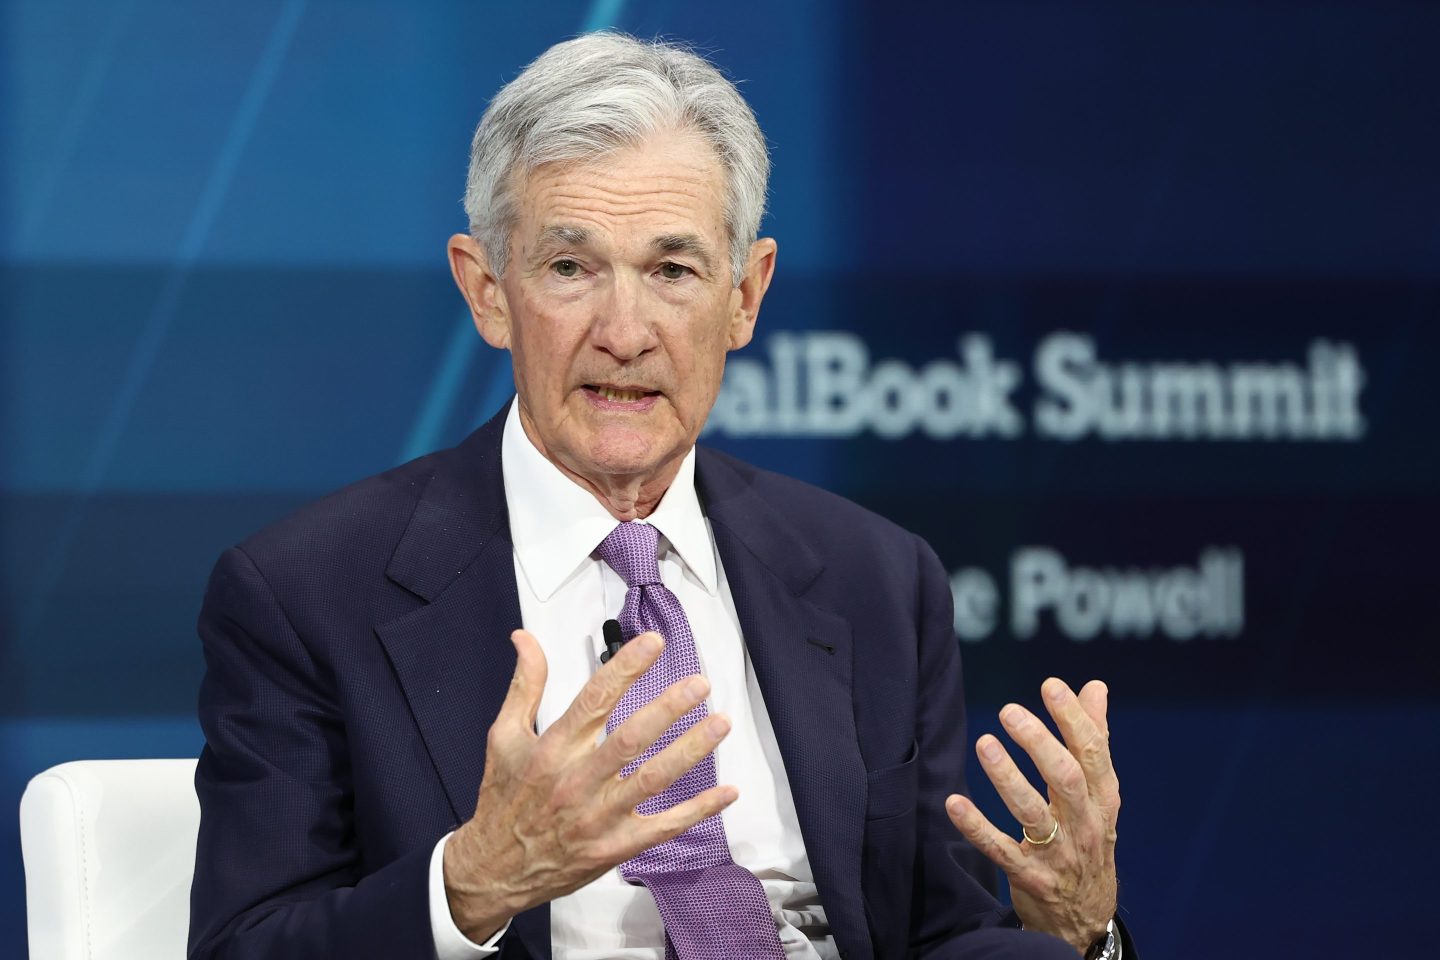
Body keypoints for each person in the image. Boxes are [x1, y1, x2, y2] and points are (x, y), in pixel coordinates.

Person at [188, 32, 1128, 960]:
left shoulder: (875, 577)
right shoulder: (309, 593)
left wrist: (1082, 940)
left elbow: (939, 936)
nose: (626, 332)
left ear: (744, 297)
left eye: (672, 271)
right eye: (571, 267)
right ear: (488, 292)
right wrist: (474, 883)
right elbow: (246, 946)